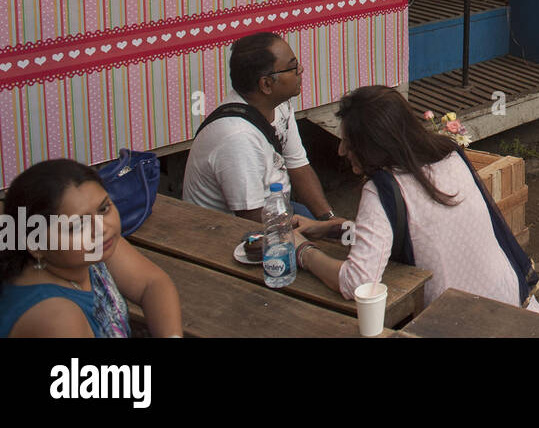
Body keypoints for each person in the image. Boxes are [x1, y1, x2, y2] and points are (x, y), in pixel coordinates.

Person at [291, 86, 539, 313]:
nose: (341, 150)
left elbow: (358, 282)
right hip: (512, 304)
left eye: (348, 142)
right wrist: (333, 228)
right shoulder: (449, 156)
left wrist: (302, 250)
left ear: (373, 144)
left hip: (462, 324)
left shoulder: (383, 190)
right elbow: (422, 232)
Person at [0, 160, 182, 338]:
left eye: (104, 209)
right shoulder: (56, 317)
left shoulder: (89, 249)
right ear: (36, 245)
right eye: (78, 225)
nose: (102, 228)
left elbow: (152, 283)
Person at [183, 32, 343, 225]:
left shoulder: (279, 105)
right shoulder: (237, 138)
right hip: (230, 233)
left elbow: (298, 165)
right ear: (266, 84)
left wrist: (328, 221)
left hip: (276, 208)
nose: (301, 69)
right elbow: (252, 222)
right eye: (292, 67)